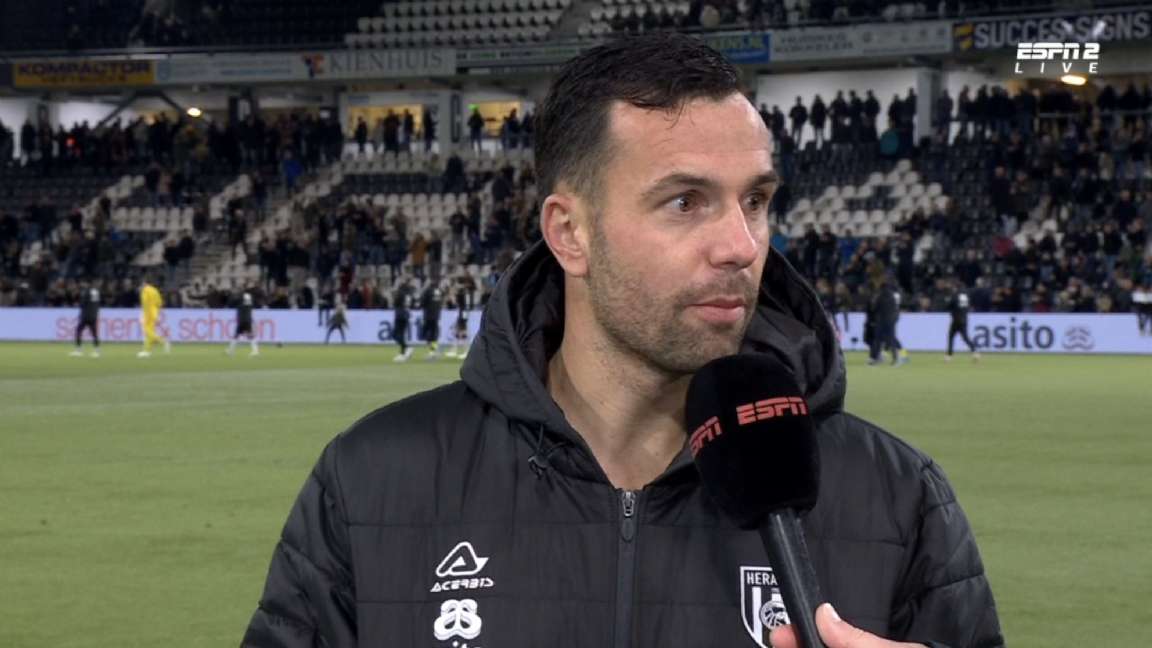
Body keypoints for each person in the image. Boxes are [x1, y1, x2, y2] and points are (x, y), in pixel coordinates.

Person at [243, 34, 1001, 648]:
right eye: (685, 202)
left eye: (757, 200)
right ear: (569, 233)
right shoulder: (373, 480)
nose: (742, 246)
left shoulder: (895, 497)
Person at [946, 281, 980, 362]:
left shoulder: (955, 295)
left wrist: (948, 301)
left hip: (956, 319)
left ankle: (949, 356)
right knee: (965, 337)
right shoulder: (966, 295)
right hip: (964, 318)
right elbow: (968, 306)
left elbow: (949, 306)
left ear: (956, 287)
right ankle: (975, 352)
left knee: (951, 336)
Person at [137, 276, 170, 358]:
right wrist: (156, 312)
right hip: (155, 312)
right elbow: (160, 303)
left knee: (147, 331)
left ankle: (163, 341)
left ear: (145, 283)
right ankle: (147, 351)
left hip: (148, 313)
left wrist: (144, 315)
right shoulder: (155, 290)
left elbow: (145, 302)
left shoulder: (145, 290)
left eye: (142, 284)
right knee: (150, 332)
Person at [445, 270, 475, 359]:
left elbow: (454, 301)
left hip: (463, 312)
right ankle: (455, 350)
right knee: (457, 331)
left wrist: (451, 290)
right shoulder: (465, 291)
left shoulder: (462, 292)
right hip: (463, 312)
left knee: (462, 332)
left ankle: (465, 351)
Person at [226, 292, 259, 357]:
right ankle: (255, 350)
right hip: (248, 321)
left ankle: (231, 350)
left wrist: (234, 297)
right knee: (249, 336)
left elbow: (231, 304)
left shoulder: (240, 304)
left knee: (236, 335)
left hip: (242, 321)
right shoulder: (250, 305)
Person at [71, 285, 101, 358]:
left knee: (79, 331)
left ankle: (79, 350)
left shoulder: (86, 293)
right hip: (94, 315)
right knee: (94, 333)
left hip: (86, 315)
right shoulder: (96, 292)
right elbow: (97, 304)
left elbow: (83, 304)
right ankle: (97, 351)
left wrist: (78, 304)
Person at [420, 279, 445, 359]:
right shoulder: (440, 291)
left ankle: (433, 351)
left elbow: (422, 303)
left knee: (426, 334)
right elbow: (441, 301)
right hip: (436, 315)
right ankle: (434, 350)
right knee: (434, 334)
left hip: (428, 315)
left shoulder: (428, 291)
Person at [391, 278, 414, 362]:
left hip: (400, 314)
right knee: (402, 335)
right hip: (406, 314)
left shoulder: (400, 293)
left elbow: (395, 303)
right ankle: (402, 354)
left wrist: (394, 296)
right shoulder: (409, 293)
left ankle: (407, 347)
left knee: (395, 335)